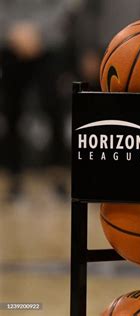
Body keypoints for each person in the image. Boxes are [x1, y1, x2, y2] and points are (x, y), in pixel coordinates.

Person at [0, 0, 77, 200]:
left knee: (55, 111)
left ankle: (58, 177)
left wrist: (38, 32)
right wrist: (11, 31)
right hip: (11, 43)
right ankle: (14, 178)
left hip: (48, 44)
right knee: (11, 112)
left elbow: (66, 5)